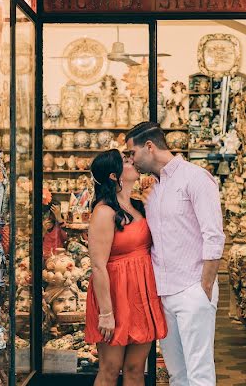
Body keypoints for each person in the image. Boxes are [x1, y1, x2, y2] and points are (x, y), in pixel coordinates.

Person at [124, 121, 226, 386]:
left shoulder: (195, 177)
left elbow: (213, 234)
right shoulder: (153, 188)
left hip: (193, 287)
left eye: (132, 153)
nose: (131, 160)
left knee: (199, 372)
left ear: (149, 147)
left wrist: (205, 286)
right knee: (176, 374)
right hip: (163, 292)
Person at [84, 149, 167, 386]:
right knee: (110, 369)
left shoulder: (138, 206)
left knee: (136, 369)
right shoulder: (104, 212)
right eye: (126, 161)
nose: (133, 162)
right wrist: (106, 314)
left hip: (141, 293)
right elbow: (98, 266)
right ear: (114, 176)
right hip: (114, 294)